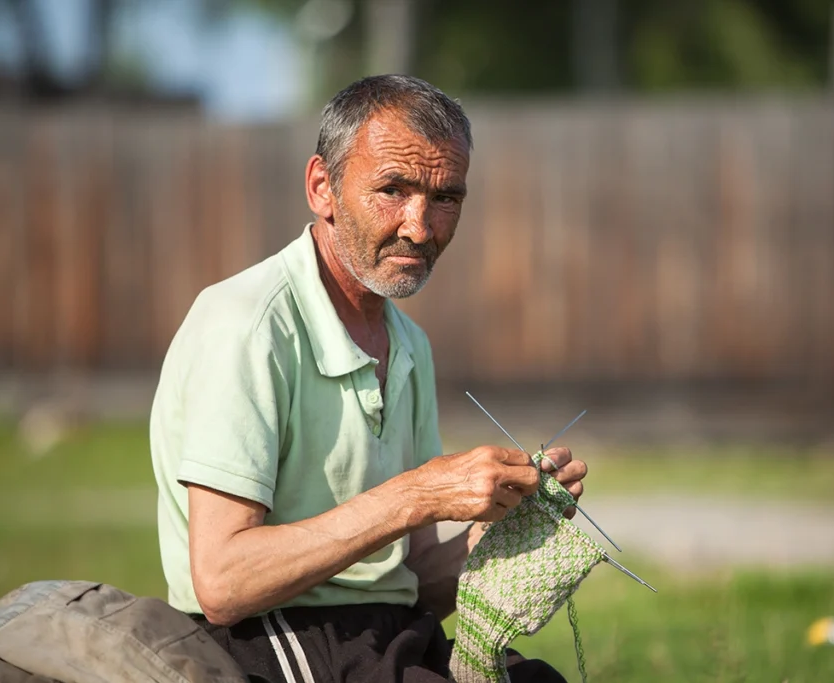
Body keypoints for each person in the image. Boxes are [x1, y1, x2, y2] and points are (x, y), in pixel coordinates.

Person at [149, 74, 589, 683]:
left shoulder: (408, 344)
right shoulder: (246, 323)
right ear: (322, 188)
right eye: (392, 190)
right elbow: (224, 584)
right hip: (266, 640)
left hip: (385, 632)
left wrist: (503, 533)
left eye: (446, 198)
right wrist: (419, 494)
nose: (420, 227)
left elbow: (409, 583)